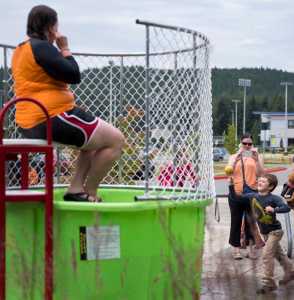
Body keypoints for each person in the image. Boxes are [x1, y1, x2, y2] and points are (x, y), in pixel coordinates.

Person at [11, 5, 125, 202]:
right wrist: (64, 47)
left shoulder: (21, 50)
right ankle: (89, 192)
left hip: (28, 120)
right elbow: (73, 74)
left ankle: (75, 189)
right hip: (50, 115)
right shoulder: (42, 47)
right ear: (51, 27)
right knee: (116, 140)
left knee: (89, 144)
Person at [229, 173, 294, 294]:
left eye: (263, 182)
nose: (259, 182)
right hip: (265, 233)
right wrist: (231, 185)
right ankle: (290, 271)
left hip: (275, 231)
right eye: (259, 180)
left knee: (266, 255)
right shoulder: (252, 196)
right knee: (278, 254)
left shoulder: (274, 198)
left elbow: (286, 208)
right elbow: (236, 198)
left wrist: (274, 209)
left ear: (270, 186)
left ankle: (268, 283)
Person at [227, 133, 264, 259]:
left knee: (251, 222)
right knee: (236, 221)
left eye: (250, 144)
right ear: (240, 144)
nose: (247, 146)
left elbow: (261, 174)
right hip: (236, 192)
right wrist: (236, 158)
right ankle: (236, 250)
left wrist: (257, 159)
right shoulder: (233, 156)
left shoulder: (256, 157)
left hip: (252, 191)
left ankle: (251, 249)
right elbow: (228, 172)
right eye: (245, 143)